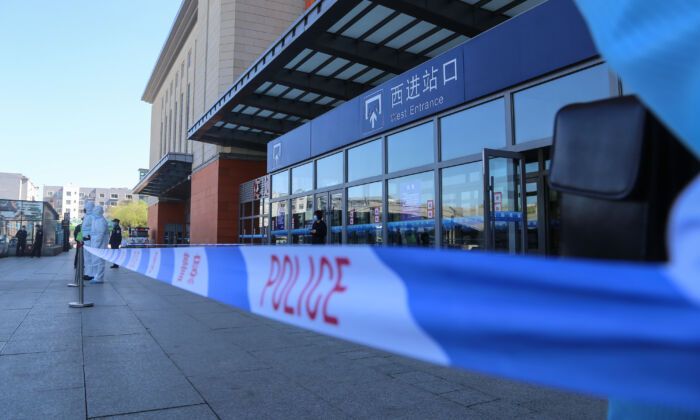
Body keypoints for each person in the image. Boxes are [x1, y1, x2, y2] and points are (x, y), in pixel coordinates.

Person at [87, 206, 109, 283]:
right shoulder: (96, 220)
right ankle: (96, 276)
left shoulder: (101, 221)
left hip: (99, 244)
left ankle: (99, 278)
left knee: (99, 261)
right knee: (95, 261)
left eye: (95, 211)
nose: (93, 212)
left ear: (98, 212)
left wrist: (97, 245)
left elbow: (100, 234)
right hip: (95, 242)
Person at [82, 201, 95, 280]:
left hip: (90, 240)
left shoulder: (92, 216)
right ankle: (87, 273)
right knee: (87, 259)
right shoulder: (87, 216)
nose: (86, 208)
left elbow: (94, 228)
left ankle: (91, 274)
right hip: (85, 240)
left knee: (90, 258)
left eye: (87, 207)